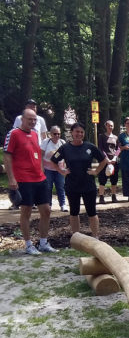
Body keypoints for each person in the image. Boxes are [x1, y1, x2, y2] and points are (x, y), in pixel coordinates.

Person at [3, 108, 57, 254]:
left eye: (34, 119)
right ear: (22, 119)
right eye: (29, 119)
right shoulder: (13, 134)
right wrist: (11, 178)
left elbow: (37, 154)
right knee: (26, 211)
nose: (32, 122)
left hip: (39, 178)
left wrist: (42, 170)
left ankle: (43, 243)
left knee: (46, 210)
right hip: (23, 179)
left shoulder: (34, 134)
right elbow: (7, 156)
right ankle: (28, 245)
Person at [51, 122, 107, 239]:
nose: (79, 134)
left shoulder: (90, 147)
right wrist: (62, 171)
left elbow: (103, 160)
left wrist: (96, 171)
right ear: (72, 132)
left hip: (88, 184)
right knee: (74, 212)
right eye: (77, 131)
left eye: (82, 132)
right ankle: (76, 237)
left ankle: (95, 237)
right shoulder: (65, 148)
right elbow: (53, 160)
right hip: (72, 185)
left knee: (92, 212)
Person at [41, 126, 67, 211]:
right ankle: (49, 205)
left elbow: (66, 156)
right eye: (55, 134)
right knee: (48, 187)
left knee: (61, 186)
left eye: (59, 134)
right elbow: (41, 155)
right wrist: (41, 167)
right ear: (50, 134)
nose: (57, 136)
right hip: (48, 169)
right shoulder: (46, 142)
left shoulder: (62, 142)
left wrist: (65, 167)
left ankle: (63, 204)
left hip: (59, 169)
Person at [98, 120, 120, 203]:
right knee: (102, 179)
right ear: (106, 126)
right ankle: (101, 197)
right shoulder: (101, 136)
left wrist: (114, 158)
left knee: (114, 179)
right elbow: (100, 148)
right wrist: (106, 159)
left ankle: (113, 196)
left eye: (112, 125)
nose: (110, 127)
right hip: (104, 161)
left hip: (114, 161)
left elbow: (118, 149)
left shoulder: (116, 137)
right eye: (109, 125)